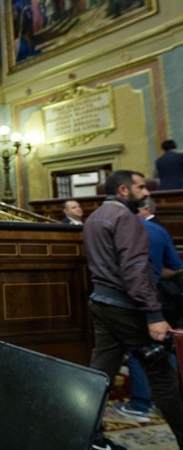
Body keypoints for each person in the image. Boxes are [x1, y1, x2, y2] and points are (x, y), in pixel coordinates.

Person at [84, 170, 183, 449]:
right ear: (124, 190)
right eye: (141, 187)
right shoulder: (126, 219)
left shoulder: (94, 217)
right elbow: (135, 270)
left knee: (99, 375)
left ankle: (88, 438)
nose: (147, 192)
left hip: (101, 303)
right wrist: (154, 315)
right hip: (127, 307)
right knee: (163, 378)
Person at [115, 198, 183, 423]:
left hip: (128, 299)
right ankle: (171, 404)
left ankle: (141, 403)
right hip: (160, 297)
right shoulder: (158, 230)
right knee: (166, 347)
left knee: (137, 351)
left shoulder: (117, 230)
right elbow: (175, 266)